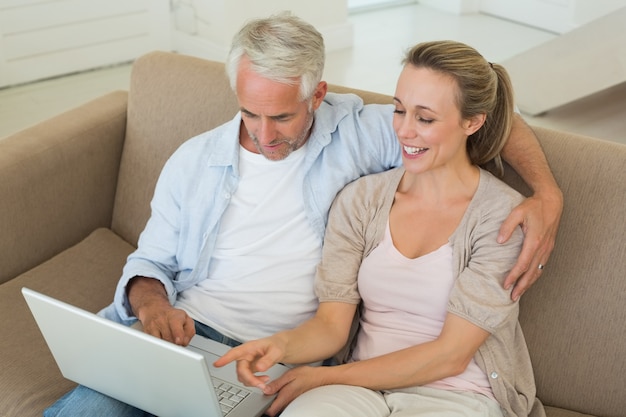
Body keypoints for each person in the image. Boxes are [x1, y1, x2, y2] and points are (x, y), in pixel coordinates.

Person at [44, 13, 558, 416]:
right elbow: (151, 262)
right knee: (90, 409)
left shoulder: (365, 133)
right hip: (191, 331)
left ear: (317, 94)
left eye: (282, 117)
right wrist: (154, 309)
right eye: (250, 113)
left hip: (284, 353)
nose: (264, 136)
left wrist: (546, 193)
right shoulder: (195, 160)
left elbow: (479, 116)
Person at [216, 40, 544, 417]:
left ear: (472, 121)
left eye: (425, 119)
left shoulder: (503, 219)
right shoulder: (362, 200)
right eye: (399, 110)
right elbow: (330, 326)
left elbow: (451, 356)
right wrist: (277, 346)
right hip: (360, 390)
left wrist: (321, 378)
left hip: (458, 395)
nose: (404, 131)